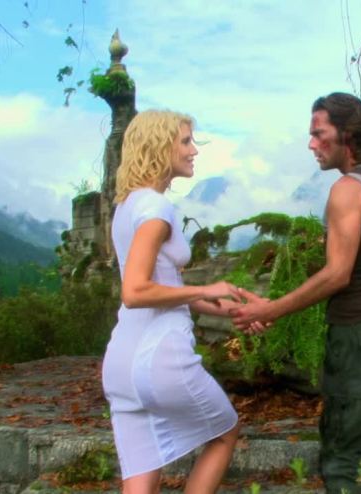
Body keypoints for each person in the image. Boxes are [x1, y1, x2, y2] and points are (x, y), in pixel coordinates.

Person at [232, 92, 361, 494]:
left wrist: (269, 309)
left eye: (319, 133)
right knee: (359, 438)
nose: (311, 144)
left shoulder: (348, 189)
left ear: (347, 134)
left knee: (344, 452)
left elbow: (337, 274)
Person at [102, 109, 265, 494]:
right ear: (160, 146)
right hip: (161, 358)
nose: (195, 150)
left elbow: (164, 287)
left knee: (142, 473)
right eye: (186, 141)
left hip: (121, 364)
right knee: (224, 432)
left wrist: (232, 307)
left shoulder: (127, 207)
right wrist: (206, 289)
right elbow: (136, 291)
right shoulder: (156, 209)